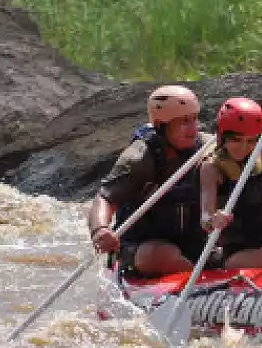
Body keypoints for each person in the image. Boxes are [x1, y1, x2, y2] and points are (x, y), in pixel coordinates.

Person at [88, 84, 211, 276]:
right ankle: (198, 280)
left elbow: (252, 144)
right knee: (162, 255)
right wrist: (100, 229)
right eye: (184, 121)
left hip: (190, 244)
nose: (194, 128)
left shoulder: (205, 146)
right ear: (162, 126)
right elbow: (105, 198)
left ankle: (199, 273)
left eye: (195, 119)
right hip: (140, 249)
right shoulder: (138, 158)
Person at [198, 93, 262, 269]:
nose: (244, 147)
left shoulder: (259, 147)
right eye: (236, 140)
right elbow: (205, 217)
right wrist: (214, 220)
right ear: (222, 136)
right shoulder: (211, 168)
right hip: (237, 253)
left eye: (251, 140)